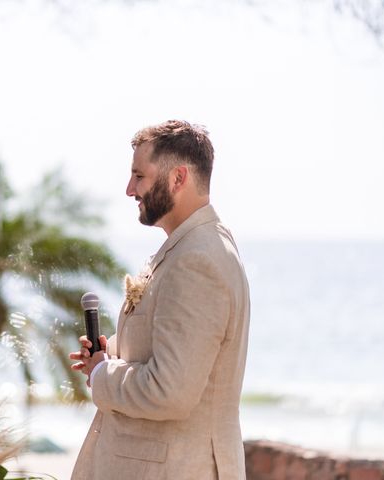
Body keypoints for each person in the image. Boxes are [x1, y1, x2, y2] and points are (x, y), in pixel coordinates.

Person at [70, 120, 250, 479]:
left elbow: (170, 390)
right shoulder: (190, 249)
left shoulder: (197, 261)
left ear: (178, 178)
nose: (129, 189)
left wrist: (105, 373)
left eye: (140, 176)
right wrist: (112, 357)